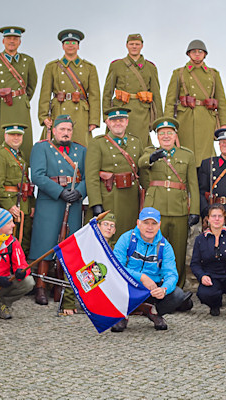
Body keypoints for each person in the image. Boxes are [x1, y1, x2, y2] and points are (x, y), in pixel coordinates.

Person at [29, 114, 86, 311]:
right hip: (50, 200)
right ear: (53, 130)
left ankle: (64, 287)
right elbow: (37, 175)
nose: (66, 133)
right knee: (45, 243)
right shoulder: (41, 148)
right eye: (62, 129)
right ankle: (41, 285)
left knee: (68, 244)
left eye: (69, 130)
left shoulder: (81, 150)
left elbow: (88, 176)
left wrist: (79, 192)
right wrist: (59, 192)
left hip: (73, 202)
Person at [139, 117, 200, 289]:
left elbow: (193, 185)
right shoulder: (150, 151)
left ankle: (176, 290)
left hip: (179, 210)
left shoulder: (187, 155)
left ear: (175, 135)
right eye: (162, 133)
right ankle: (152, 288)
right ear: (157, 137)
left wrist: (194, 210)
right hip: (155, 210)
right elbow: (141, 163)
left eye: (169, 133)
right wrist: (152, 157)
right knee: (152, 251)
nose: (166, 136)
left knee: (177, 252)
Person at [111, 207, 192, 332]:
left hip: (152, 289)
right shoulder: (126, 239)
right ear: (138, 223)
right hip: (128, 285)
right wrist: (142, 277)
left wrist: (164, 289)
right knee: (109, 283)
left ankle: (153, 311)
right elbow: (117, 268)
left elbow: (171, 274)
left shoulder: (165, 246)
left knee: (178, 295)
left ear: (159, 225)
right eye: (146, 223)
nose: (150, 227)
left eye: (154, 223)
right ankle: (122, 314)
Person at [164, 40, 226, 166]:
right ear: (188, 54)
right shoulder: (179, 73)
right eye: (194, 51)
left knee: (207, 158)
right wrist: (168, 124)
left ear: (205, 54)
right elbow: (170, 101)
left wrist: (224, 124)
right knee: (184, 155)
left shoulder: (213, 74)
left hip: (207, 119)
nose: (197, 54)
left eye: (200, 51)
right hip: (185, 120)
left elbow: (221, 101)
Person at [0, 26, 37, 162]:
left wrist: (21, 100)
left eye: (15, 38)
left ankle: (22, 175)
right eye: (9, 38)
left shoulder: (28, 61)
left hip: (19, 109)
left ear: (20, 42)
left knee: (22, 143)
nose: (12, 41)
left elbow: (31, 87)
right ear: (3, 41)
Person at [85, 107, 142, 243]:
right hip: (109, 198)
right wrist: (96, 203)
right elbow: (91, 176)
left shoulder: (136, 142)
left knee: (128, 237)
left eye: (121, 120)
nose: (118, 123)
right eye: (114, 120)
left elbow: (142, 174)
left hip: (131, 199)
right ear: (107, 123)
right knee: (106, 239)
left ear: (127, 122)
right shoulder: (98, 143)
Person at [38, 29, 100, 147]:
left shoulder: (89, 68)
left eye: (73, 43)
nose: (70, 45)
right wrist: (43, 116)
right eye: (67, 43)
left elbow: (94, 96)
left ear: (78, 46)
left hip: (81, 114)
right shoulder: (52, 67)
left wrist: (94, 120)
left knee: (81, 145)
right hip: (59, 109)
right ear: (62, 46)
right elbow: (45, 94)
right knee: (56, 146)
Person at [102, 33, 163, 147]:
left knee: (141, 145)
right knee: (117, 145)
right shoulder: (116, 65)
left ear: (142, 46)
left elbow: (156, 95)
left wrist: (159, 121)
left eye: (137, 44)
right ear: (126, 45)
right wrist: (106, 117)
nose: (134, 46)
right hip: (120, 111)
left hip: (142, 113)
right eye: (131, 44)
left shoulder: (150, 67)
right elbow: (107, 93)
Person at [0, 123, 36, 256]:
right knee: (9, 241)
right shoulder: (0, 153)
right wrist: (9, 206)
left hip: (23, 205)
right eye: (12, 135)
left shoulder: (20, 156)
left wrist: (32, 204)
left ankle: (21, 267)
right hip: (10, 206)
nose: (16, 138)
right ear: (5, 136)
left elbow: (27, 181)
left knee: (24, 240)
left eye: (19, 135)